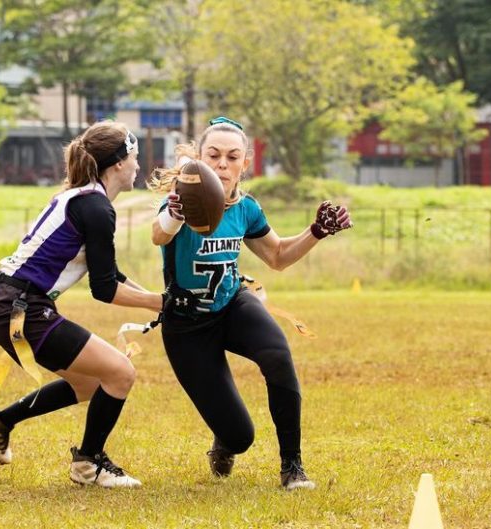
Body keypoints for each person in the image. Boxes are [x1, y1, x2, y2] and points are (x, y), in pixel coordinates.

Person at [149, 116, 352, 491]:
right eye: (213, 155)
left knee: (277, 354)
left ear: (245, 163)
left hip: (232, 304)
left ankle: (293, 467)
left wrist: (316, 232)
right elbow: (158, 235)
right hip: (187, 323)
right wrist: (176, 214)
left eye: (232, 156)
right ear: (198, 158)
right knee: (240, 436)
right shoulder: (180, 202)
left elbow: (277, 256)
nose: (222, 164)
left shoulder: (246, 207)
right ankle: (225, 442)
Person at [0, 121, 166, 489]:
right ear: (119, 163)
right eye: (136, 158)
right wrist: (161, 302)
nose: (139, 166)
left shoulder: (87, 198)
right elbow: (104, 289)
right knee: (121, 373)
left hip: (11, 304)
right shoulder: (95, 207)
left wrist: (157, 303)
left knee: (91, 383)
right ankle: (89, 464)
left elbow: (112, 275)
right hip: (21, 308)